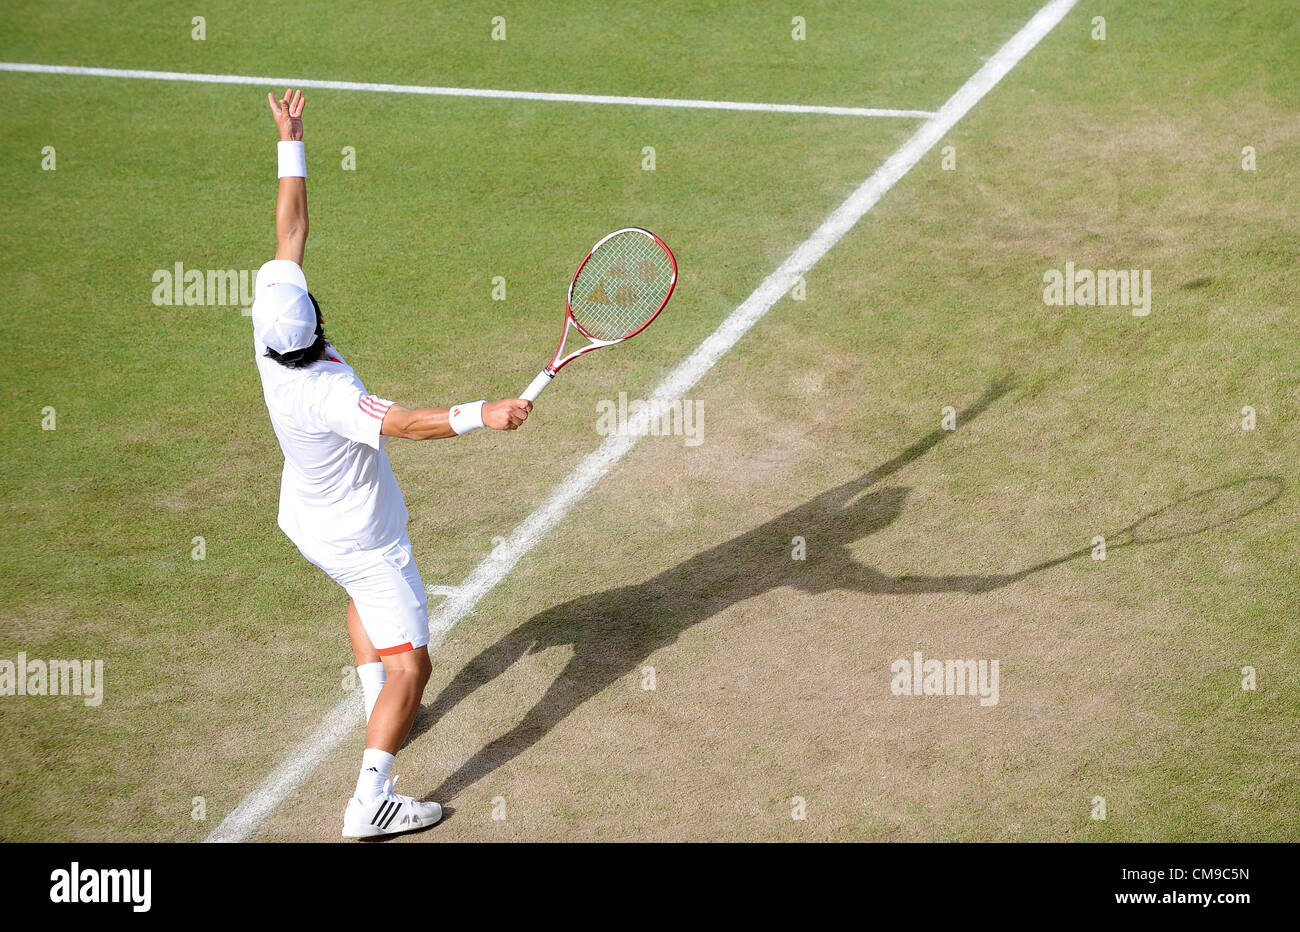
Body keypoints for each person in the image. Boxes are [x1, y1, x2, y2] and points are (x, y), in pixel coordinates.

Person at [252, 88, 531, 838]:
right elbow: (407, 424)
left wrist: (292, 141)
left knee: (365, 609)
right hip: (364, 539)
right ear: (317, 327)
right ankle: (370, 800)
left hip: (307, 520)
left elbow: (290, 228)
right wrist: (487, 414)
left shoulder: (267, 322)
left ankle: (377, 705)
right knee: (416, 668)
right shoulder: (333, 394)